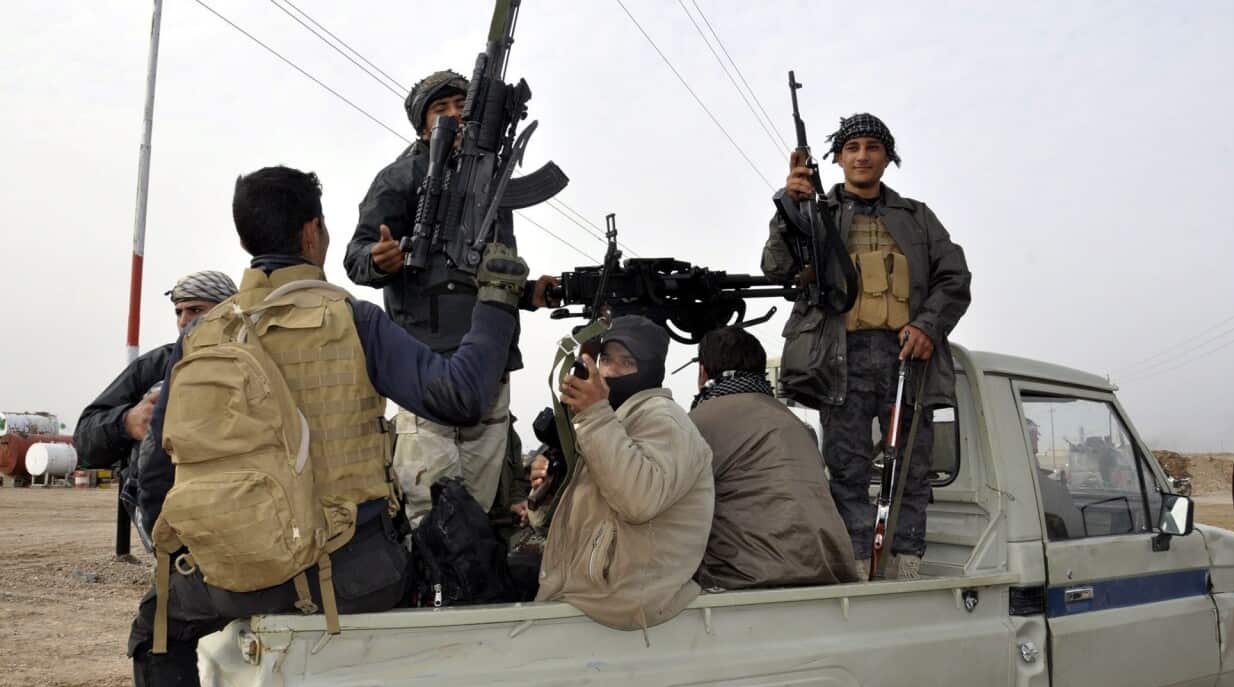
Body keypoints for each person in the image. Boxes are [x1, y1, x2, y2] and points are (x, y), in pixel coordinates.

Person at [128, 166, 528, 687]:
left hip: (228, 579)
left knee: (157, 630)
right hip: (350, 579)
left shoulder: (201, 337)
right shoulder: (353, 321)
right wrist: (496, 301)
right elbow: (460, 398)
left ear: (246, 240)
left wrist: (187, 558)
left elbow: (155, 473)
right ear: (313, 234)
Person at [343, 69, 560, 527]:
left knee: (478, 505)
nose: (455, 116)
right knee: (428, 503)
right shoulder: (400, 177)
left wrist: (526, 292)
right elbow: (356, 255)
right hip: (428, 364)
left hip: (490, 365)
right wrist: (380, 260)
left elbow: (486, 270)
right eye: (441, 111)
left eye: (463, 106)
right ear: (423, 126)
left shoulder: (491, 182)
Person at [763, 113, 972, 580]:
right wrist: (788, 208)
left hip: (907, 355)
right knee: (847, 467)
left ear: (887, 158)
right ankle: (857, 568)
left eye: (872, 147)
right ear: (837, 158)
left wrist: (927, 327)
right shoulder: (815, 213)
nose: (862, 155)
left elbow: (954, 279)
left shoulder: (917, 217)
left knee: (912, 469)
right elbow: (777, 268)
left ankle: (906, 566)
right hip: (842, 358)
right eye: (852, 147)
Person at [535, 316, 714, 630]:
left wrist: (593, 415)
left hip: (618, 604)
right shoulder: (617, 417)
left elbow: (638, 500)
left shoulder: (663, 419)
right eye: (606, 360)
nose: (610, 372)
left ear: (651, 370)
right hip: (591, 598)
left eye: (627, 362)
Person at [74, 270, 238, 547]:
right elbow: (85, 440)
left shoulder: (254, 365)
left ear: (228, 311)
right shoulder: (154, 368)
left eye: (196, 310)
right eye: (178, 312)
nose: (184, 320)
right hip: (169, 525)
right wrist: (127, 421)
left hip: (240, 513)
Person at [688, 327, 858, 589]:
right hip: (828, 567)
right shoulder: (796, 423)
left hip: (747, 575)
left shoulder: (696, 423)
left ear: (703, 373)